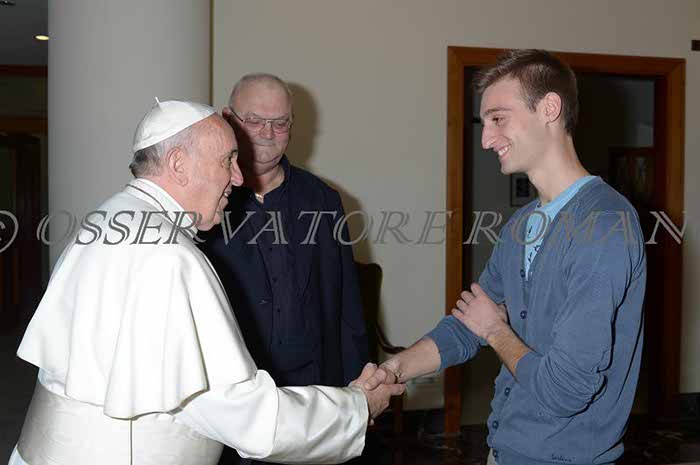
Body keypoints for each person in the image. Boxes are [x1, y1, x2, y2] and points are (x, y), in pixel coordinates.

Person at [8, 99, 403, 465]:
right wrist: (356, 407)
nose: (239, 177)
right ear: (179, 164)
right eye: (228, 159)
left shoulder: (111, 217)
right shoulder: (169, 257)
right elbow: (249, 418)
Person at [364, 49, 647, 465]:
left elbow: (565, 391)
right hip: (505, 450)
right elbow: (466, 328)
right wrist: (392, 371)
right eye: (485, 123)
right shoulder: (522, 225)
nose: (486, 139)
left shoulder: (604, 224)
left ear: (549, 108)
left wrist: (495, 331)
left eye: (498, 118)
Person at [199, 74, 370, 464]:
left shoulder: (323, 200)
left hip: (314, 395)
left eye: (280, 123)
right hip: (232, 402)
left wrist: (357, 392)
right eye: (254, 121)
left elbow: (346, 301)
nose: (267, 133)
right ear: (228, 120)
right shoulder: (205, 200)